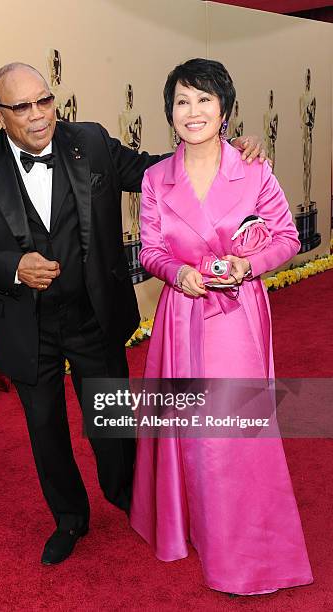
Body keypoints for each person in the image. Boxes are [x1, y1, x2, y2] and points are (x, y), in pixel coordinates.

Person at [0, 62, 265, 565]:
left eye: (44, 100)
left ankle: (131, 500)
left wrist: (221, 150)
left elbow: (156, 171)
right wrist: (13, 266)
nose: (39, 114)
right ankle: (69, 519)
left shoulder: (88, 141)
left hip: (93, 313)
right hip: (26, 322)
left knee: (109, 418)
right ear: (0, 114)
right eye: (22, 107)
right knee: (45, 428)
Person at [130, 59, 313, 595]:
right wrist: (177, 272)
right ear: (170, 114)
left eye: (204, 100)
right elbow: (151, 250)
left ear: (225, 110)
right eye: (182, 101)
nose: (193, 112)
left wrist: (246, 266)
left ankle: (247, 543)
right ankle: (188, 524)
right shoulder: (155, 178)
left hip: (236, 316)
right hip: (181, 315)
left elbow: (285, 237)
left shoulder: (254, 170)